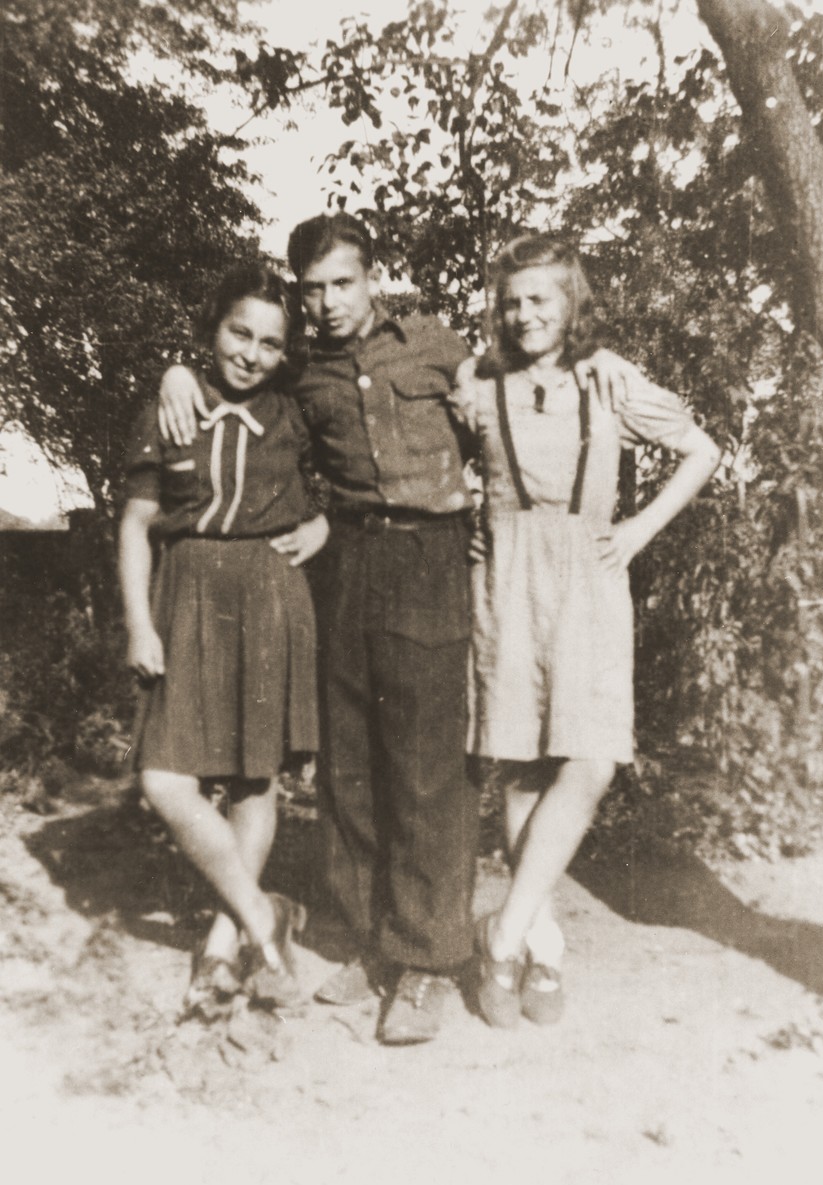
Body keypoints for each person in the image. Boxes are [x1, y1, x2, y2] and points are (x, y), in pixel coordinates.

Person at [157, 214, 638, 1045]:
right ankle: (367, 944)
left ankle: (425, 959)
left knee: (426, 770)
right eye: (311, 289)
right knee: (350, 765)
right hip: (346, 565)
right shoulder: (300, 374)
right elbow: (251, 421)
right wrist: (176, 369)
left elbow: (515, 401)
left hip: (431, 560)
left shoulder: (439, 345)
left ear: (371, 277)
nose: (327, 302)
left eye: (341, 283)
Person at [451, 233, 721, 1028]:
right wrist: (468, 516)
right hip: (503, 576)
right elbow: (432, 458)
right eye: (512, 300)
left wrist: (637, 530)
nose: (525, 313)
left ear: (572, 302)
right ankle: (540, 951)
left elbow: (700, 450)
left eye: (541, 298)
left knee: (592, 759)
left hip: (589, 575)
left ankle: (497, 933)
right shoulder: (475, 382)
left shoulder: (609, 380)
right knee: (524, 763)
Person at [119, 262, 329, 1020]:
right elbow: (137, 525)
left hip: (270, 598)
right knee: (166, 781)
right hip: (186, 596)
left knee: (252, 782)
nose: (250, 352)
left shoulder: (292, 413)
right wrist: (140, 621)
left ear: (284, 354)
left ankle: (220, 945)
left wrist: (323, 521)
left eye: (270, 343)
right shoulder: (168, 405)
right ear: (212, 328)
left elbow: (341, 477)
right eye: (239, 332)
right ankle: (264, 916)